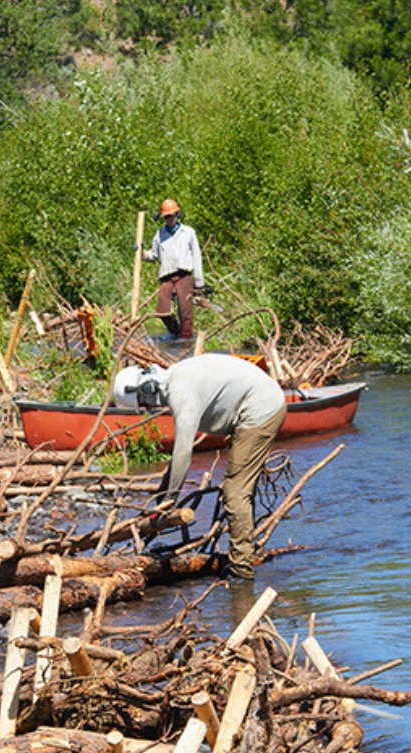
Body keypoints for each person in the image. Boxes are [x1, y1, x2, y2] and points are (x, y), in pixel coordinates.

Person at [113, 354, 286, 579]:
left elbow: (183, 451)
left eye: (144, 403)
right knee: (239, 488)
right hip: (253, 404)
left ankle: (241, 571)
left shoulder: (179, 392)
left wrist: (169, 501)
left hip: (261, 409)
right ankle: (244, 552)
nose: (149, 408)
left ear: (146, 388)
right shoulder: (175, 378)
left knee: (235, 490)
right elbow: (177, 459)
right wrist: (161, 497)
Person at [140, 198, 206, 340]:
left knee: (185, 313)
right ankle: (175, 334)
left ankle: (186, 340)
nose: (170, 219)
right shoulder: (160, 234)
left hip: (184, 275)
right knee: (162, 311)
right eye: (167, 217)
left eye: (172, 215)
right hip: (167, 276)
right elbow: (153, 255)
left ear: (178, 215)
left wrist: (199, 283)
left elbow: (196, 257)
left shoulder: (188, 233)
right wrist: (141, 253)